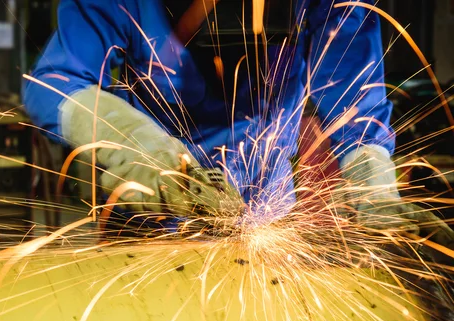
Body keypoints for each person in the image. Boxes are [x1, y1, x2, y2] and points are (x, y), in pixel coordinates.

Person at [24, 0, 454, 246]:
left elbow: (354, 105)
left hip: (274, 230)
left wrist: (374, 188)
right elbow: (57, 81)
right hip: (152, 228)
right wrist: (153, 163)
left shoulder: (326, 3)